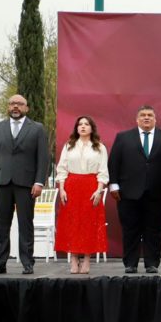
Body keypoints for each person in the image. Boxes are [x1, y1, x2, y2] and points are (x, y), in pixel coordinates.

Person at [0, 94, 50, 275]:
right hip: (2, 183)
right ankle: (0, 263)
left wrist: (39, 182)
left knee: (25, 224)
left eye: (20, 104)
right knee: (2, 225)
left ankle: (27, 262)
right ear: (8, 107)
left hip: (26, 185)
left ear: (26, 108)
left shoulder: (37, 129)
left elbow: (43, 158)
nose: (15, 106)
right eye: (12, 103)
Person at [107, 105, 161, 274]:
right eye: (143, 115)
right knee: (130, 229)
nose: (146, 117)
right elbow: (114, 162)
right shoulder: (123, 137)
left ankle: (152, 264)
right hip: (128, 192)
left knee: (155, 229)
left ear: (155, 119)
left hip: (158, 192)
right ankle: (130, 264)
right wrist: (114, 184)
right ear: (137, 119)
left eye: (150, 115)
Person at [54, 116, 108, 274]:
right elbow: (62, 168)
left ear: (92, 128)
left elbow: (103, 171)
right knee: (72, 222)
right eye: (80, 124)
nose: (83, 126)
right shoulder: (69, 146)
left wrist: (99, 190)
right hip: (71, 187)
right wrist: (62, 189)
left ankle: (86, 259)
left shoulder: (100, 147)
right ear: (76, 128)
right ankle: (73, 259)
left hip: (91, 187)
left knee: (88, 223)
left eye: (86, 124)